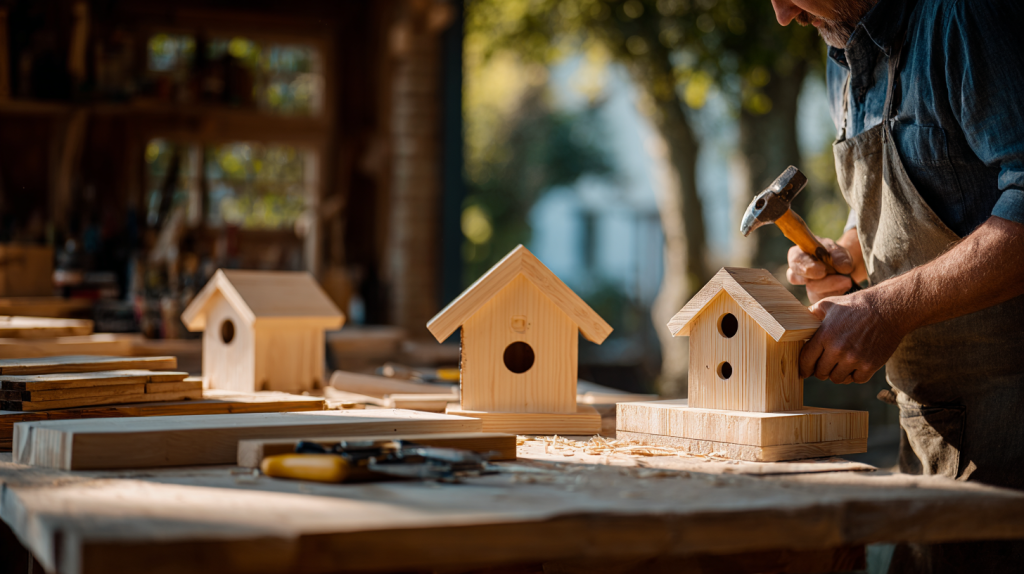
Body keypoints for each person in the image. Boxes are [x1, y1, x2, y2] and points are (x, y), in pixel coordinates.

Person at [770, 0, 1024, 571]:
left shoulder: (964, 18)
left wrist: (885, 309)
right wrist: (847, 255)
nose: (783, 14)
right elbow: (929, 191)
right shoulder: (841, 49)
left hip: (1011, 426)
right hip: (926, 426)